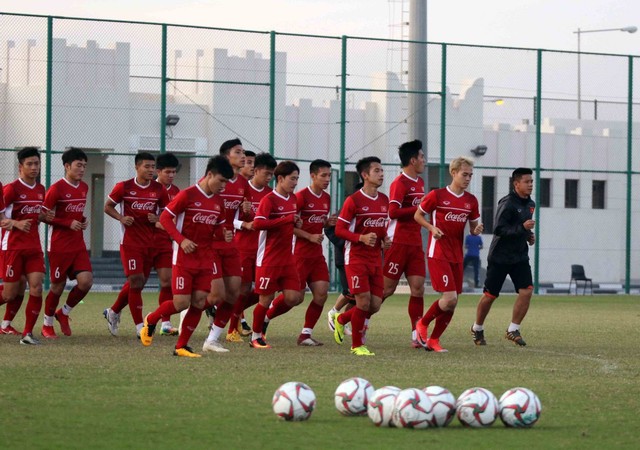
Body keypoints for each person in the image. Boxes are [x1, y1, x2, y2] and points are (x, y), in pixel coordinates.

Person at [139, 155, 234, 357]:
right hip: (184, 258)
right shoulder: (187, 195)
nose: (224, 186)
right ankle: (152, 318)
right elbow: (165, 218)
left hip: (206, 259)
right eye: (222, 180)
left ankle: (181, 346)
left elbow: (217, 229)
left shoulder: (219, 202)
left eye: (227, 182)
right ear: (210, 174)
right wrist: (181, 240)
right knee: (181, 302)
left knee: (199, 302)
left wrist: (224, 234)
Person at [264, 159, 337, 346]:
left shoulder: (326, 198)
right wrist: (310, 236)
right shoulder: (301, 197)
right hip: (299, 253)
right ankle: (266, 317)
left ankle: (305, 334)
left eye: (329, 175)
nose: (327, 179)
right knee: (295, 298)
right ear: (313, 176)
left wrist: (326, 223)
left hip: (316, 254)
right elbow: (290, 225)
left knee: (321, 294)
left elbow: (317, 222)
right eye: (323, 175)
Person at [414, 156, 482, 353]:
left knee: (452, 303)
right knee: (450, 298)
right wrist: (431, 228)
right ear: (453, 173)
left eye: (470, 175)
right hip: (438, 252)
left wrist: (477, 230)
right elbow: (417, 215)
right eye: (464, 174)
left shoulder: (471, 200)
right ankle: (423, 323)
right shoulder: (437, 195)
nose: (468, 178)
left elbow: (473, 227)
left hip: (456, 255)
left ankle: (434, 340)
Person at [103, 152, 170, 337]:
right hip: (130, 243)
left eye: (152, 167)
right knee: (136, 281)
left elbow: (167, 214)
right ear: (137, 167)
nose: (150, 170)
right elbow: (107, 206)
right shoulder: (124, 187)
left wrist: (157, 218)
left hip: (151, 243)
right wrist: (121, 218)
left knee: (138, 283)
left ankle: (113, 312)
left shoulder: (159, 189)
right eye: (146, 167)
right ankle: (140, 326)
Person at [471, 167, 535, 347]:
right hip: (500, 257)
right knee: (490, 295)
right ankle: (477, 327)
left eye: (531, 182)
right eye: (527, 182)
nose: (530, 185)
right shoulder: (507, 203)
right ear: (516, 184)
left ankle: (513, 329)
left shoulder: (530, 204)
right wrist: (522, 228)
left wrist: (529, 236)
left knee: (527, 290)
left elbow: (522, 228)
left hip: (520, 257)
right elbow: (499, 229)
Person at [199, 138, 252, 353]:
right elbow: (201, 207)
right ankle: (183, 312)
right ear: (225, 155)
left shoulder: (243, 183)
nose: (243, 156)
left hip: (231, 244)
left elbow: (242, 214)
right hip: (211, 243)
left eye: (243, 153)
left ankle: (212, 339)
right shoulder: (211, 179)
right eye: (238, 152)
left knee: (234, 293)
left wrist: (247, 211)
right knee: (216, 296)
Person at [333, 156, 390, 357]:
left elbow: (381, 228)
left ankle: (340, 320)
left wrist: (385, 240)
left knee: (374, 304)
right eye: (377, 171)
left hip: (375, 258)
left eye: (382, 170)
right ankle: (357, 345)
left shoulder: (384, 200)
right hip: (355, 257)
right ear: (365, 175)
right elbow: (339, 229)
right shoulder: (353, 200)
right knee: (363, 302)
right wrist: (360, 238)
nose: (381, 174)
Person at [1, 147, 53, 345]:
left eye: (37, 163)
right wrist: (16, 224)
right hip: (12, 248)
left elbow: (34, 217)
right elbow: (1, 218)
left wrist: (42, 217)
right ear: (20, 167)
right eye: (30, 164)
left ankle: (27, 334)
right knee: (9, 293)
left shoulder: (41, 190)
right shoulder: (11, 189)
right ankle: (8, 324)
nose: (34, 168)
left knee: (37, 287)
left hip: (33, 248)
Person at [40, 148, 93, 338]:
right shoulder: (56, 189)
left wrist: (82, 219)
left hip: (77, 245)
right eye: (79, 165)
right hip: (59, 246)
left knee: (86, 282)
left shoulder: (84, 187)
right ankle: (47, 324)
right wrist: (66, 222)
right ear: (67, 166)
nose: (82, 169)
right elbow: (41, 215)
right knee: (57, 286)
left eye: (84, 166)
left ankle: (63, 312)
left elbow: (75, 212)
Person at [249, 160, 302, 349]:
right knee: (265, 299)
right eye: (292, 179)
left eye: (297, 178)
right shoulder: (268, 200)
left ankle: (266, 318)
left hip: (287, 257)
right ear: (280, 179)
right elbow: (258, 224)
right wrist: (286, 220)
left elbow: (288, 224)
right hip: (269, 258)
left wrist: (295, 223)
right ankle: (256, 337)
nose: (295, 182)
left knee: (294, 297)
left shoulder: (293, 199)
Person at [225, 152, 276, 342]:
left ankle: (234, 314)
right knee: (244, 288)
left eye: (272, 175)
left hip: (264, 249)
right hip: (243, 247)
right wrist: (243, 222)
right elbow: (231, 219)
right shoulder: (242, 189)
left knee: (265, 290)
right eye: (266, 174)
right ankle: (232, 330)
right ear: (256, 171)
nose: (269, 178)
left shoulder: (271, 194)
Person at [381, 140, 427, 348]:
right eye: (422, 157)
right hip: (398, 242)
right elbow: (393, 212)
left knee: (418, 289)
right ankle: (351, 319)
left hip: (415, 244)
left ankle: (416, 334)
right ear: (412, 160)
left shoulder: (419, 182)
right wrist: (419, 209)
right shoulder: (399, 183)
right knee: (386, 290)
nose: (424, 161)